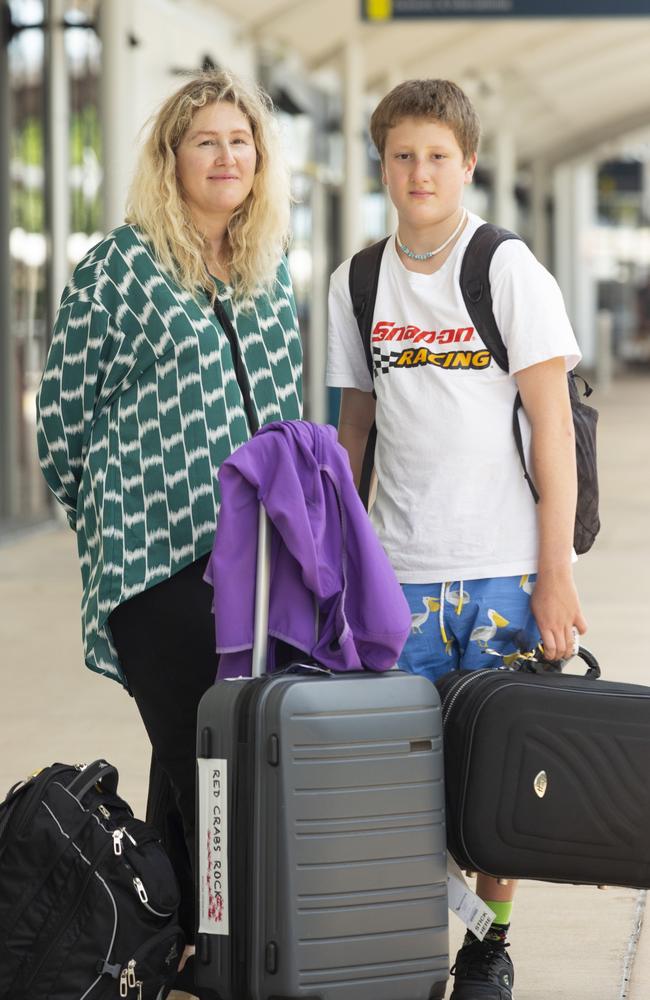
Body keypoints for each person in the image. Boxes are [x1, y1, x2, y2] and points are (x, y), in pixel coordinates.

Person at [36, 70, 302, 996]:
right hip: (156, 560)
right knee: (210, 758)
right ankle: (233, 946)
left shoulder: (271, 272)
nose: (227, 157)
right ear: (171, 159)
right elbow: (61, 418)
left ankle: (182, 940)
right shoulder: (122, 268)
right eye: (207, 142)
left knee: (194, 749)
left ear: (259, 161)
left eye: (242, 141)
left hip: (254, 561)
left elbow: (284, 409)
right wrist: (113, 513)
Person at [326, 78, 587, 1000]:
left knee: (497, 782)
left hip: (503, 574)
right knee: (398, 785)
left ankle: (490, 945)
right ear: (381, 164)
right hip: (397, 578)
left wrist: (553, 576)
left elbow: (552, 430)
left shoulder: (506, 269)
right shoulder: (356, 281)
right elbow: (352, 437)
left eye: (438, 155)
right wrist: (341, 571)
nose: (419, 172)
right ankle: (404, 941)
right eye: (402, 155)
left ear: (468, 164)